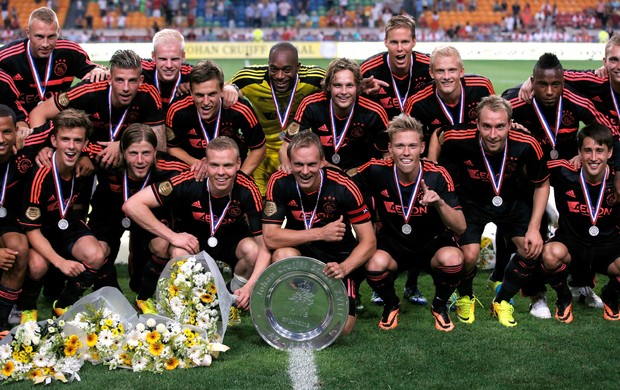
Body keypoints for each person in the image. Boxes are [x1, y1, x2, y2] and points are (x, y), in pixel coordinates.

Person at [503, 53, 612, 317]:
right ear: (533, 81)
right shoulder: (518, 100)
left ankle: (581, 285)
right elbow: (492, 117)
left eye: (556, 85)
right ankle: (536, 295)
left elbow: (606, 129)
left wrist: (594, 154)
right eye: (542, 84)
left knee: (579, 225)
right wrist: (510, 125)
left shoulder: (575, 101)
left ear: (564, 83)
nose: (549, 91)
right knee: (534, 229)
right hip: (529, 176)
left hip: (566, 171)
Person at [438, 95, 550, 327]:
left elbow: (542, 183)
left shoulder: (528, 143)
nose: (493, 134)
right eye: (486, 126)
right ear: (477, 124)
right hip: (472, 201)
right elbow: (438, 139)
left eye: (500, 126)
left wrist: (534, 228)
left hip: (511, 201)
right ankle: (466, 296)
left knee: (531, 249)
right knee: (467, 255)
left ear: (510, 124)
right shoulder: (457, 138)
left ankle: (502, 300)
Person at [123, 136, 270, 311]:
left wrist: (250, 285)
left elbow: (264, 247)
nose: (221, 172)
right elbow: (132, 205)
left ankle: (232, 298)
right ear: (205, 164)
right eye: (214, 165)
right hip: (194, 241)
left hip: (231, 239)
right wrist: (173, 236)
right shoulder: (188, 181)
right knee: (179, 250)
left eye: (228, 165)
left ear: (238, 164)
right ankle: (191, 305)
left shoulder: (248, 189)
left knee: (252, 251)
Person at [351, 114, 465, 331]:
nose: (406, 153)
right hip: (393, 244)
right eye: (400, 146)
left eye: (412, 146)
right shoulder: (376, 170)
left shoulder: (438, 174)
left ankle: (439, 305)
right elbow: (344, 184)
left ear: (422, 147)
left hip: (431, 244)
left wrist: (439, 203)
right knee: (374, 264)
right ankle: (391, 304)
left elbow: (460, 227)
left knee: (453, 258)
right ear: (390, 148)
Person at [262, 131, 376, 334]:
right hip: (303, 254)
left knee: (342, 329)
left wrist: (344, 267)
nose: (305, 171)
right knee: (282, 255)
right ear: (289, 162)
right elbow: (270, 237)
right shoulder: (279, 181)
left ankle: (341, 293)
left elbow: (369, 241)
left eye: (311, 164)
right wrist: (320, 233)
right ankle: (307, 298)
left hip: (337, 260)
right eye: (298, 164)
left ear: (322, 161)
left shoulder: (344, 186)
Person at [18, 109, 107, 321]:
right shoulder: (40, 174)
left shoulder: (85, 165)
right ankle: (28, 308)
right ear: (53, 141)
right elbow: (31, 230)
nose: (71, 146)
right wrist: (60, 262)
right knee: (37, 265)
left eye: (77, 141)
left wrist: (90, 158)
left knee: (97, 254)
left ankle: (64, 304)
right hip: (40, 230)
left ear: (85, 144)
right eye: (65, 139)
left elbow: (115, 150)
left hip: (68, 224)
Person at [87, 123, 189, 301]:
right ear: (122, 152)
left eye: (146, 153)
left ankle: (144, 299)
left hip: (148, 215)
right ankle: (110, 296)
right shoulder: (106, 158)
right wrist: (82, 158)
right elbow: (76, 145)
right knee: (97, 251)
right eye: (133, 153)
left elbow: (197, 174)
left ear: (155, 151)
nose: (140, 160)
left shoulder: (173, 167)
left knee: (162, 246)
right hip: (109, 212)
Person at [29, 49, 164, 171]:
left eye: (132, 81)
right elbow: (39, 112)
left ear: (141, 81)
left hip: (128, 159)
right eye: (120, 80)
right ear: (109, 78)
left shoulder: (149, 94)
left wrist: (124, 145)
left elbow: (161, 144)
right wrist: (43, 146)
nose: (126, 88)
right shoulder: (89, 90)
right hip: (85, 157)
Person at [542, 123, 620, 323]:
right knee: (550, 255)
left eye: (600, 151)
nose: (594, 158)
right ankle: (564, 297)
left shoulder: (617, 179)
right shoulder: (563, 171)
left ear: (610, 152)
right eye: (588, 150)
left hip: (607, 249)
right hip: (572, 246)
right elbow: (529, 165)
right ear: (579, 152)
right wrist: (516, 131)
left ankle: (611, 295)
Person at [230, 42, 325, 195]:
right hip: (262, 154)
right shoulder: (249, 78)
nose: (280, 76)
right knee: (259, 206)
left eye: (287, 70)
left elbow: (340, 88)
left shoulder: (315, 78)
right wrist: (229, 89)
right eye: (274, 69)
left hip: (299, 154)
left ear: (298, 67)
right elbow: (226, 92)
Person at [278, 58, 389, 173]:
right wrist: (288, 168)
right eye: (337, 85)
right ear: (328, 86)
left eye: (349, 85)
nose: (344, 92)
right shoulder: (311, 105)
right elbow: (285, 148)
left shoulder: (374, 112)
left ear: (358, 87)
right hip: (323, 173)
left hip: (360, 176)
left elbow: (387, 156)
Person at [166, 60, 266, 177]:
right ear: (191, 92)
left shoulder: (240, 109)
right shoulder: (178, 110)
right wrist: (197, 163)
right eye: (200, 95)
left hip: (234, 175)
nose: (206, 102)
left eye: (212, 94)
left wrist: (240, 178)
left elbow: (259, 149)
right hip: (194, 174)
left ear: (222, 91)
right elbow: (171, 147)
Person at [0, 7, 108, 113]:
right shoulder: (6, 57)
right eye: (39, 36)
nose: (45, 44)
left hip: (57, 120)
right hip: (19, 122)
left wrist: (98, 69)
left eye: (51, 36)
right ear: (28, 33)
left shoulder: (70, 52)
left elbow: (98, 71)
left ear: (59, 32)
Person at [404, 45, 495, 161]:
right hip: (441, 158)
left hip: (479, 157)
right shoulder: (417, 102)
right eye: (440, 71)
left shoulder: (482, 87)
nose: (446, 77)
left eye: (452, 70)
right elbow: (405, 138)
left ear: (461, 71)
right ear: (431, 73)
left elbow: (498, 117)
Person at [0, 105, 37, 337]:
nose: (1, 139)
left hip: (7, 220)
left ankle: (1, 319)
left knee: (18, 249)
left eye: (6, 132)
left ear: (16, 132)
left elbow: (61, 127)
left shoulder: (26, 151)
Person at [360, 15, 433, 121]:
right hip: (382, 133)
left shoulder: (430, 66)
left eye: (405, 42)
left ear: (414, 42)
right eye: (394, 42)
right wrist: (360, 89)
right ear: (385, 42)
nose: (399, 48)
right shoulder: (368, 71)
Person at [141, 28, 193, 112]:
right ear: (153, 56)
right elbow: (115, 72)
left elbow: (216, 84)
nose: (169, 65)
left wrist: (223, 89)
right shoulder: (138, 69)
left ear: (183, 57)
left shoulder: (193, 75)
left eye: (174, 59)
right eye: (163, 59)